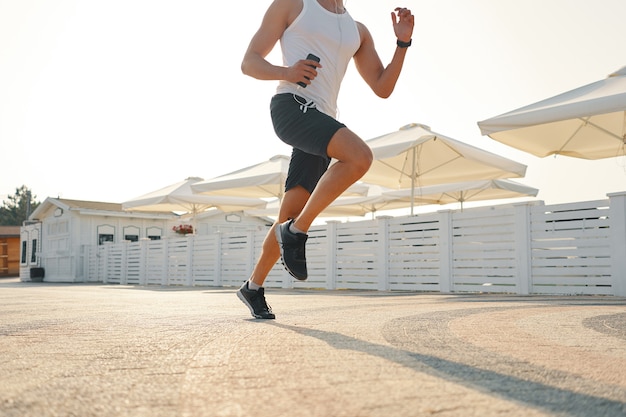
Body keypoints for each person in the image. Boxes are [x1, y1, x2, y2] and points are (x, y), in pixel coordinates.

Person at [237, 0, 414, 319]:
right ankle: (298, 231)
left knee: (287, 215)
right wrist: (286, 71)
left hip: (321, 118)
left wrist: (402, 42)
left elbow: (382, 87)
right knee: (359, 157)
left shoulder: (357, 31)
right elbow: (249, 63)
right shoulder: (293, 5)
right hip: (291, 105)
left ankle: (253, 286)